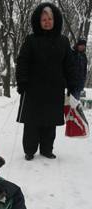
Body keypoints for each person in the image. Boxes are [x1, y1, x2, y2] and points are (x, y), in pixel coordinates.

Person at [16, 3, 77, 161]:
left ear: (55, 20)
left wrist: (72, 83)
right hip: (33, 89)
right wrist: (22, 80)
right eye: (44, 19)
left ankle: (46, 149)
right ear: (38, 21)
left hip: (54, 89)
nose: (47, 22)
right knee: (32, 122)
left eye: (50, 19)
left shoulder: (63, 41)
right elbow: (23, 61)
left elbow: (69, 64)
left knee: (50, 122)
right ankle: (30, 150)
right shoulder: (31, 40)